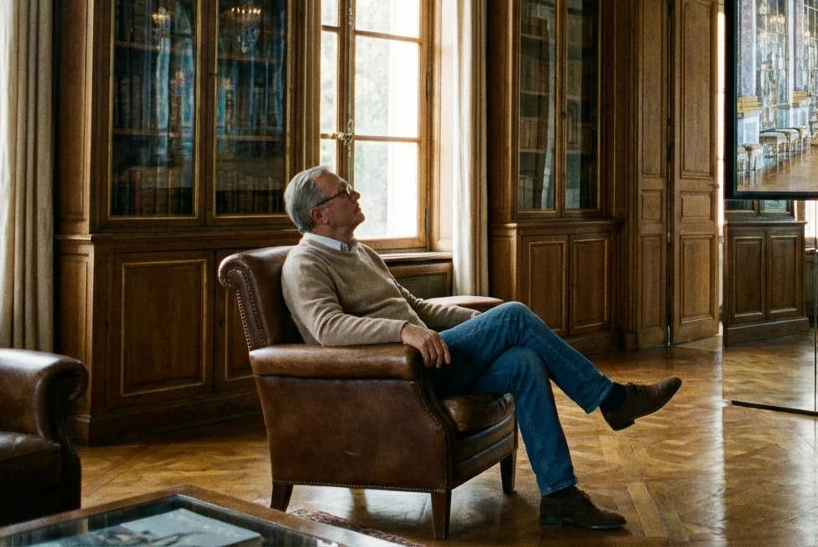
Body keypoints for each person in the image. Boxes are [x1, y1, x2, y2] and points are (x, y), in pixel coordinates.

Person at [279, 166, 682, 530]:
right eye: (344, 191)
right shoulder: (304, 264)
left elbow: (418, 307)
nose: (356, 195)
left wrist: (477, 325)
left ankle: (560, 495)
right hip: (396, 376)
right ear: (319, 214)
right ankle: (611, 399)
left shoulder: (360, 252)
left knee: (523, 360)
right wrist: (404, 331)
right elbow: (329, 329)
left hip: (431, 359)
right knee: (515, 314)